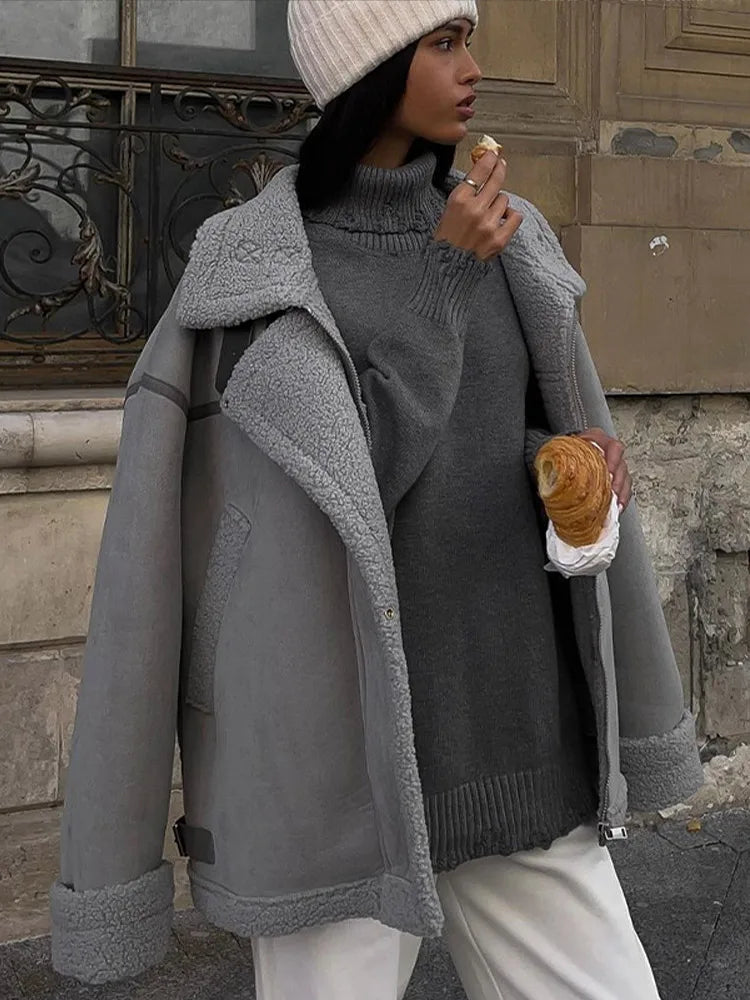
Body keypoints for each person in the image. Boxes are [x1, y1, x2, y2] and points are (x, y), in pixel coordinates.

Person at [50, 2, 703, 998]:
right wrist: (442, 277)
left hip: (517, 741)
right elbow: (339, 489)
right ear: (367, 69)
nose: (473, 69)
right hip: (335, 785)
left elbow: (488, 440)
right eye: (442, 45)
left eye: (467, 39)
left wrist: (563, 462)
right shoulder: (253, 272)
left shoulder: (511, 240)